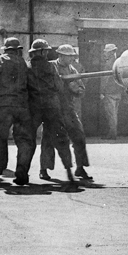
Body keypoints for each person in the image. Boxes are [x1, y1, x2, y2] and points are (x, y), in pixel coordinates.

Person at [0, 37, 34, 186]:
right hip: (21, 106)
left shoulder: (1, 59)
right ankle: (22, 174)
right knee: (23, 141)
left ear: (6, 49)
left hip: (3, 106)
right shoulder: (23, 63)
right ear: (17, 50)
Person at [27, 39, 75, 185]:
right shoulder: (50, 67)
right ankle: (68, 171)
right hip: (51, 107)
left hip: (34, 107)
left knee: (28, 140)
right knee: (57, 137)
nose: (47, 52)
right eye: (46, 50)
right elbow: (59, 86)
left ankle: (27, 171)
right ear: (42, 52)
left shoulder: (27, 67)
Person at [43, 44, 90, 180]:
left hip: (68, 109)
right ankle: (44, 169)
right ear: (61, 56)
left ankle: (80, 167)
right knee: (48, 139)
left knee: (79, 136)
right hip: (52, 109)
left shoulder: (72, 69)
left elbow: (81, 90)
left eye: (72, 57)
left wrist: (75, 88)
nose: (71, 59)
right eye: (69, 57)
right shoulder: (50, 66)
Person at [99, 43, 126, 139]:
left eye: (106, 52)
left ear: (111, 53)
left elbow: (104, 79)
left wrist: (102, 91)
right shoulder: (119, 62)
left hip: (109, 92)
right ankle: (113, 133)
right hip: (118, 92)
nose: (104, 54)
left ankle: (112, 134)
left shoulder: (107, 64)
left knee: (111, 115)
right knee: (115, 114)